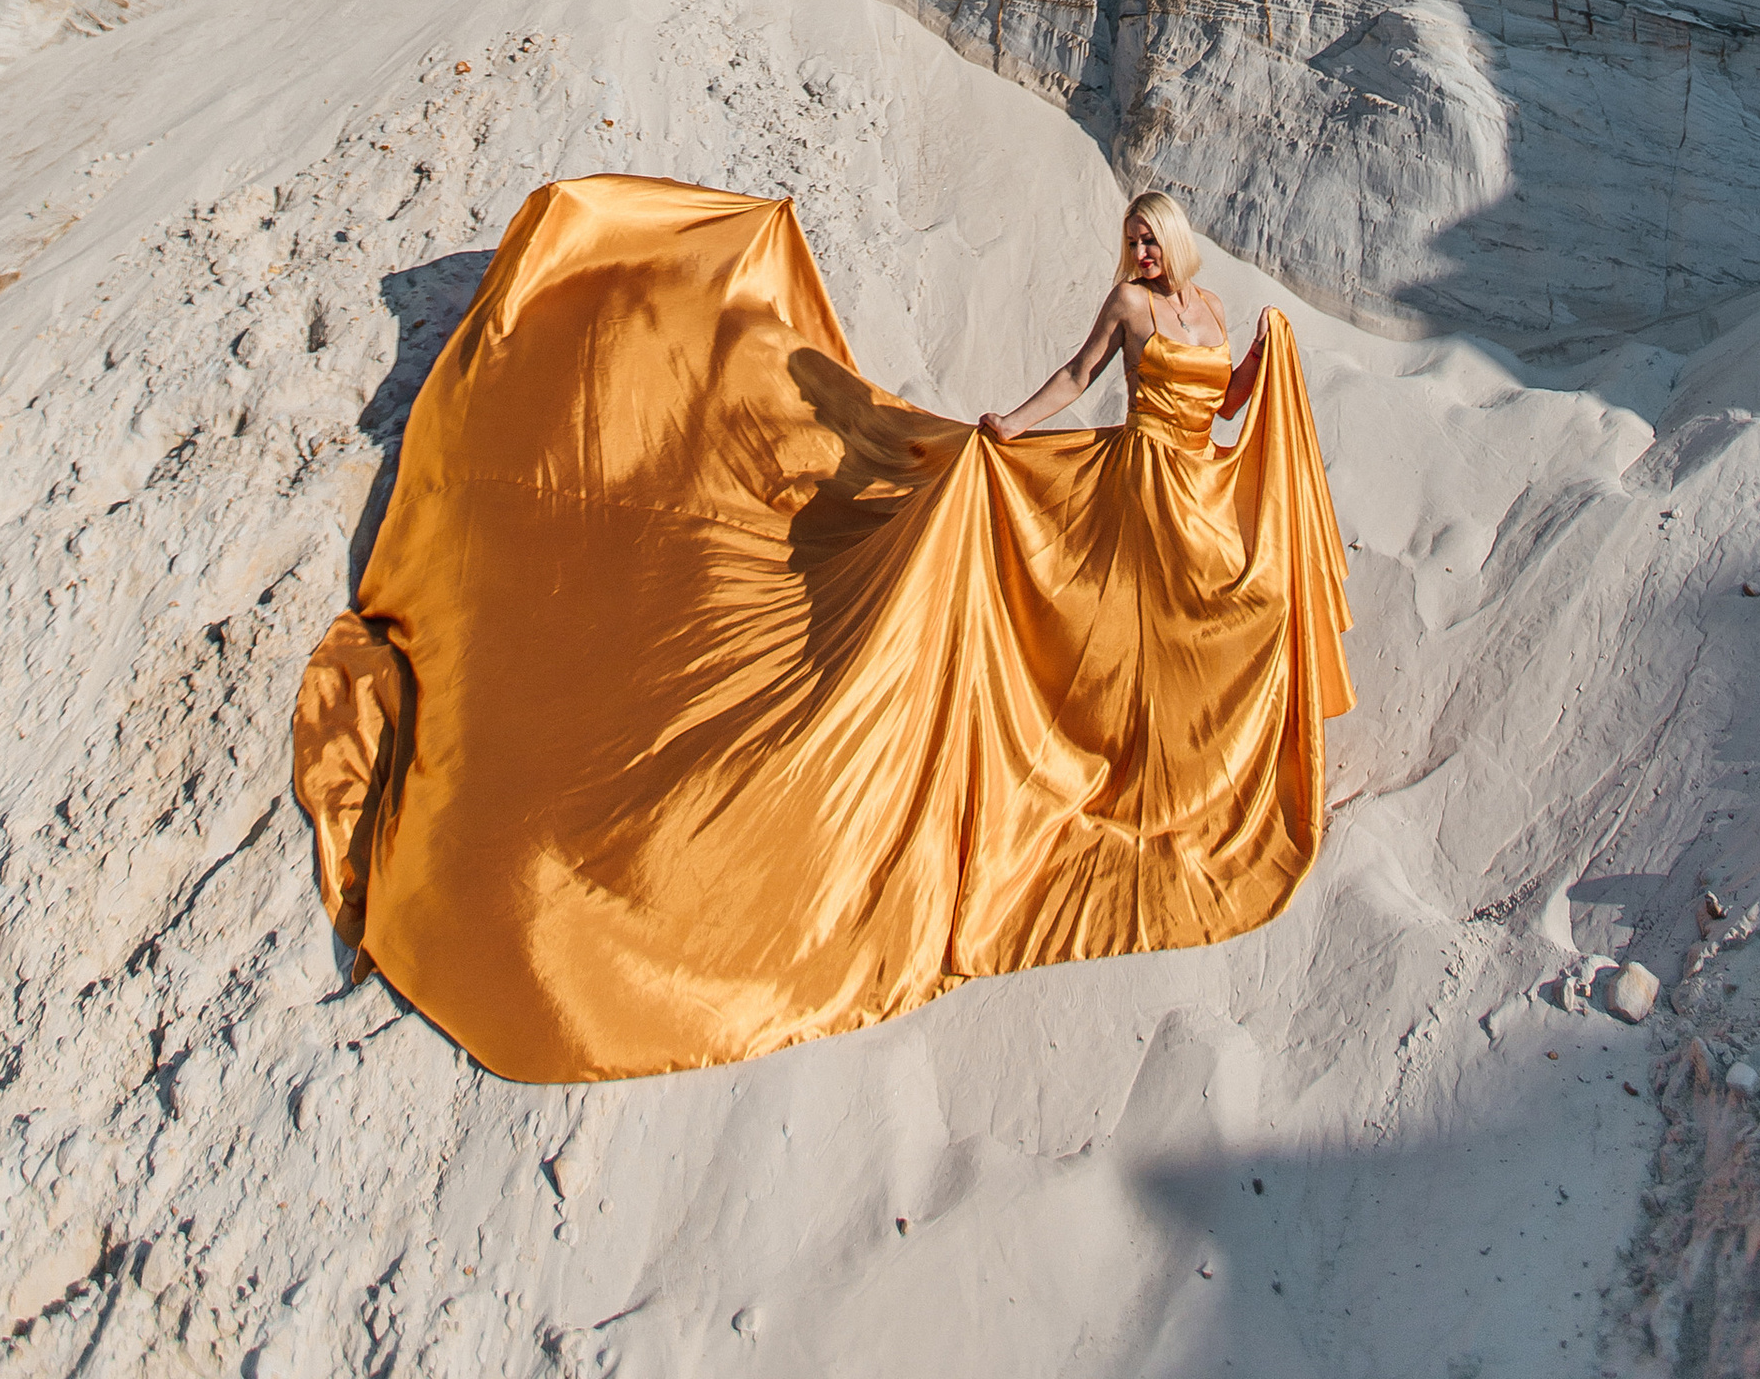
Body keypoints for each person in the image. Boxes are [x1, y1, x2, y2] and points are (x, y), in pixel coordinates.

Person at [293, 170, 1352, 1083]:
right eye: (1127, 236)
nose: (1134, 249)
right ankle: (1109, 773)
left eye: (1145, 236)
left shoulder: (1208, 313)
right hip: (1128, 489)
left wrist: (1271, 361)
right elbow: (1079, 382)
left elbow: (1223, 407)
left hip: (1194, 500)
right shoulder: (1125, 306)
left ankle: (1193, 771)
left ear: (1174, 242)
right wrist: (1006, 428)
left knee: (1216, 619)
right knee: (1104, 631)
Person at [982, 188, 1261, 442]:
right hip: (1149, 468)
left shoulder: (1213, 305)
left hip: (1202, 477)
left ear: (1173, 237)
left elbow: (1226, 406)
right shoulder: (1130, 299)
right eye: (1131, 243)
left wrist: (1258, 352)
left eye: (1149, 241)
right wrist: (1012, 424)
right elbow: (1077, 374)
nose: (1139, 254)